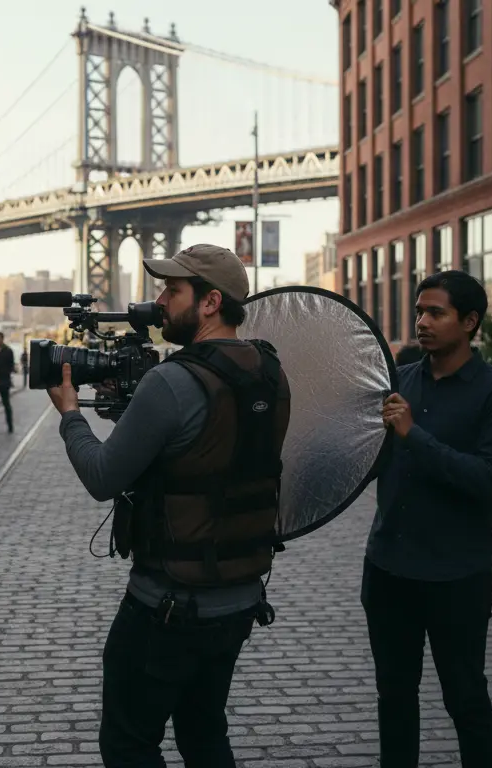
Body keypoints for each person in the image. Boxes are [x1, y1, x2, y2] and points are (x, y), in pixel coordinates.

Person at [47, 243, 290, 766]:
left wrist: (71, 415)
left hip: (167, 608)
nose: (159, 301)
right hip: (240, 597)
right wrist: (132, 418)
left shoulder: (171, 380)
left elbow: (102, 476)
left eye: (172, 290)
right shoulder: (270, 371)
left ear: (209, 303)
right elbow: (201, 452)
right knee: (204, 736)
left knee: (128, 743)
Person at [366, 270, 492, 768]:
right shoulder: (399, 382)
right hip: (389, 568)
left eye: (436, 312)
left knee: (465, 698)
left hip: (456, 574)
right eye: (419, 311)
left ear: (470, 321)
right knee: (394, 698)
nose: (422, 322)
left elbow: (486, 478)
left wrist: (414, 434)